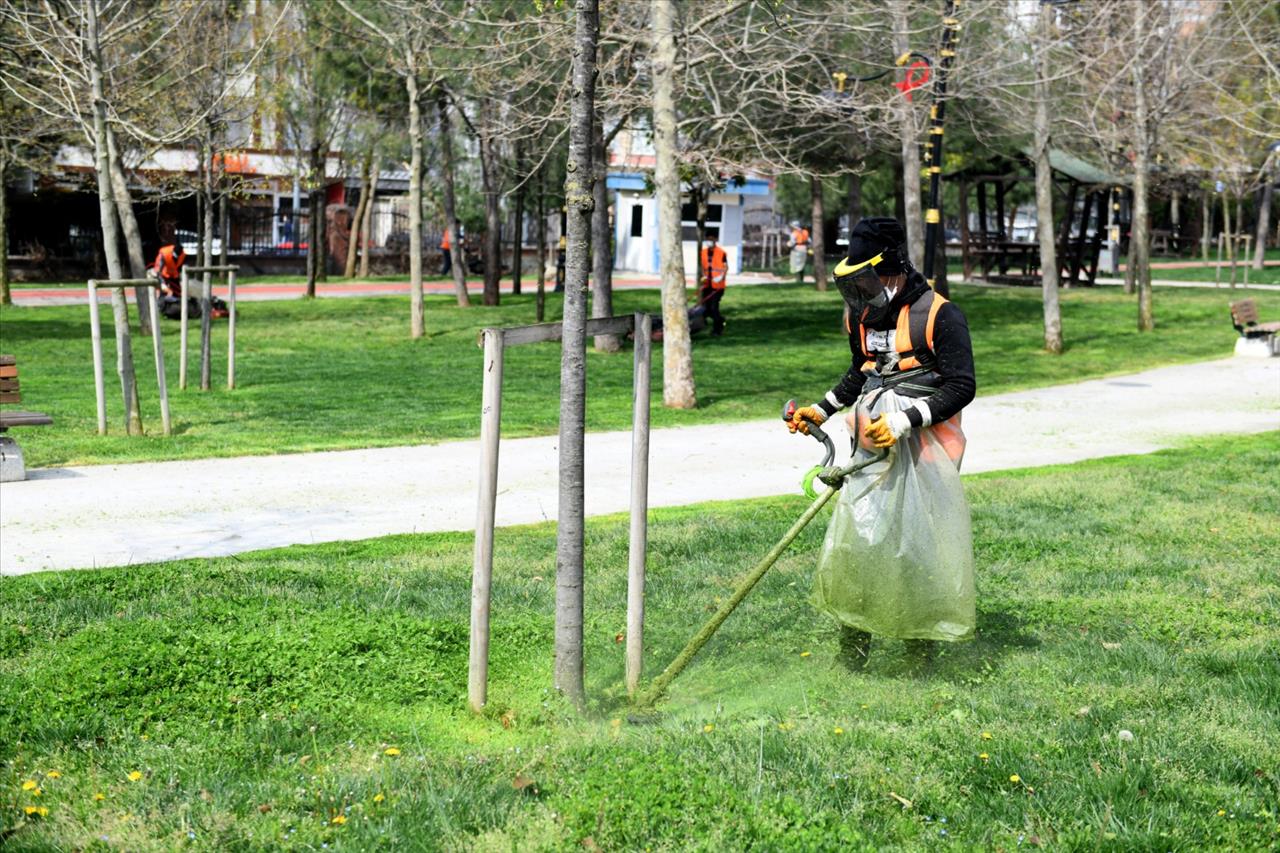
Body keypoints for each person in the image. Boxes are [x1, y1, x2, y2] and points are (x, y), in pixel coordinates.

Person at [787, 216, 976, 668]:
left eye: (869, 278)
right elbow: (861, 373)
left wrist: (905, 422)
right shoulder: (863, 316)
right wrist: (824, 408)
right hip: (868, 451)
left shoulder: (939, 314)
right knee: (858, 542)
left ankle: (918, 649)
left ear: (891, 266)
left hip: (924, 455)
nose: (864, 291)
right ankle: (852, 649)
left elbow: (961, 386)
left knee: (915, 546)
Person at [698, 234, 728, 336]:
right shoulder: (703, 253)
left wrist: (721, 276)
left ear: (715, 240)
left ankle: (717, 330)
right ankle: (720, 320)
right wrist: (703, 276)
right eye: (708, 239)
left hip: (718, 286)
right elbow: (703, 267)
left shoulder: (721, 253)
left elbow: (725, 267)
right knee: (706, 309)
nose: (709, 241)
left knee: (714, 308)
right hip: (707, 285)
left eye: (711, 239)